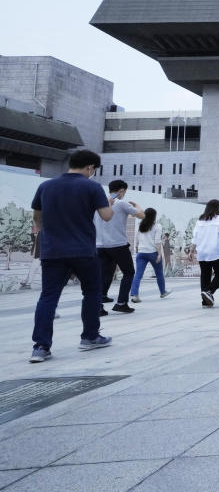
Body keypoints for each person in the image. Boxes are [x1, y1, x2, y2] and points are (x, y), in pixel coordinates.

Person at [28, 150, 114, 362]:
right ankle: (90, 337)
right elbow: (106, 216)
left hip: (52, 251)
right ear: (90, 168)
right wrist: (110, 204)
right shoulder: (92, 187)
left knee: (48, 297)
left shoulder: (45, 186)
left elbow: (37, 217)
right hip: (83, 250)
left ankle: (40, 347)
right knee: (92, 292)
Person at [95, 179, 145, 314]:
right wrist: (138, 206)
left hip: (100, 245)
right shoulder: (122, 203)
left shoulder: (98, 203)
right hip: (118, 245)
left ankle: (98, 305)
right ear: (121, 190)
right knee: (128, 272)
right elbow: (142, 216)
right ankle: (121, 303)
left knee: (104, 274)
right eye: (124, 191)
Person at [193, 199, 219, 307]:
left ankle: (205, 301)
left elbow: (195, 237)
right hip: (215, 251)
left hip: (202, 251)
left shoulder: (200, 220)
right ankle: (209, 292)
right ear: (218, 208)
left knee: (205, 275)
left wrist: (191, 250)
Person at [130, 207, 171, 302]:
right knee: (159, 273)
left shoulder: (139, 225)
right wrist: (159, 254)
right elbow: (157, 241)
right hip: (152, 253)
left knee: (138, 275)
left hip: (141, 253)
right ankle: (163, 292)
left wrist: (137, 250)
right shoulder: (157, 226)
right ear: (154, 216)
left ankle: (134, 295)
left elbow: (136, 240)